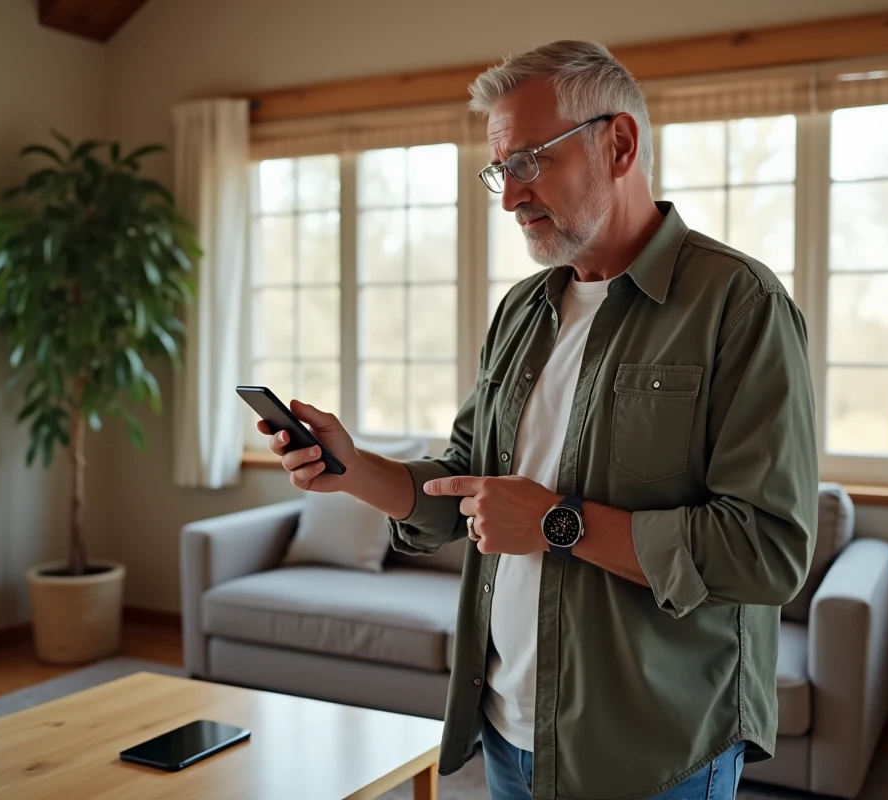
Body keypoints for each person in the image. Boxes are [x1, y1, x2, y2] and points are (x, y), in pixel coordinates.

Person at [258, 40, 818, 800]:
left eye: (531, 161)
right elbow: (467, 483)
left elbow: (769, 550)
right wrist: (353, 469)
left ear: (618, 143)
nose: (509, 197)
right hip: (510, 732)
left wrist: (559, 522)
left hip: (655, 750)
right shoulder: (523, 310)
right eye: (500, 169)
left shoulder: (740, 306)